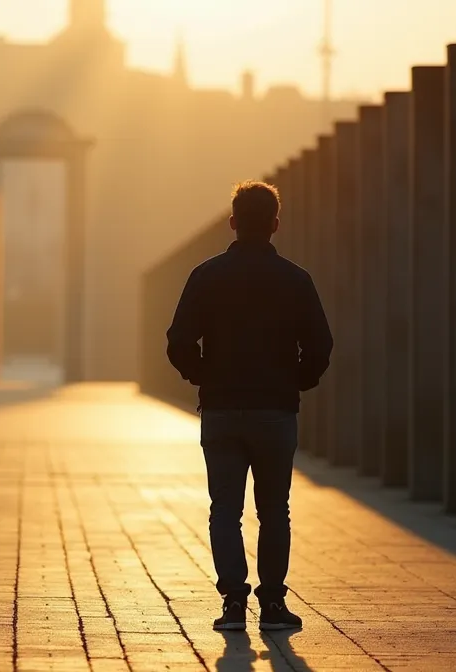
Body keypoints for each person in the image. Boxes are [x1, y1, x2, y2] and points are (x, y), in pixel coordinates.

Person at [165, 180, 333, 632]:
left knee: (225, 509)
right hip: (275, 410)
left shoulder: (206, 276)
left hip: (221, 409)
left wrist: (203, 375)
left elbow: (179, 341)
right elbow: (321, 344)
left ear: (233, 222)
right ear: (275, 224)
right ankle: (273, 603)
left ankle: (234, 603)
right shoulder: (296, 280)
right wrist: (297, 380)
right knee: (274, 509)